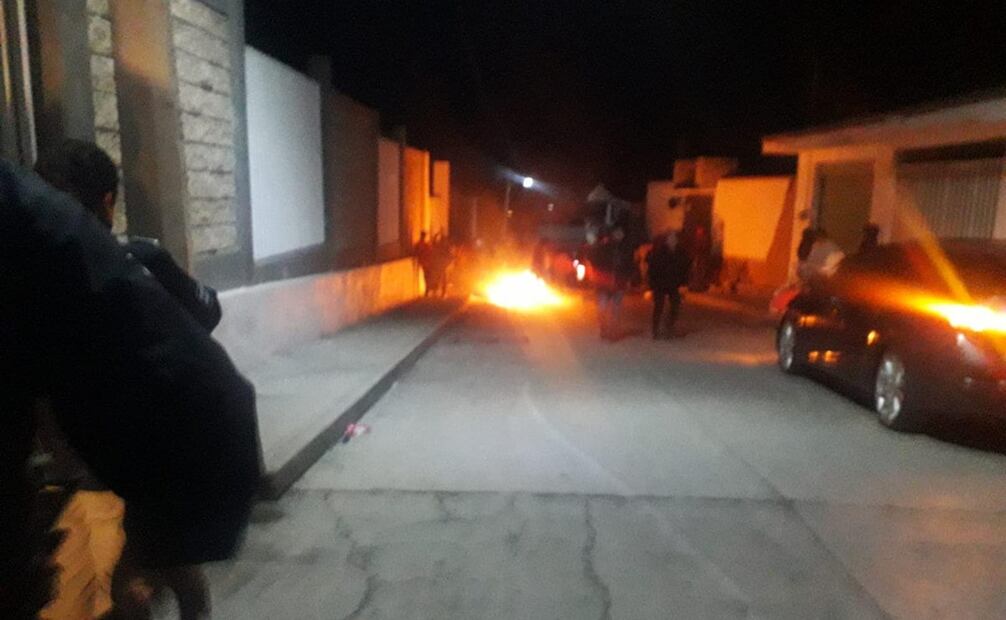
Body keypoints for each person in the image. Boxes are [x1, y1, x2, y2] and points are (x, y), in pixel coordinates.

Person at [0, 159, 260, 619]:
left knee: (139, 574)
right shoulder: (94, 255)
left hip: (168, 436)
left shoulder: (114, 259)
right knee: (152, 564)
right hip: (165, 432)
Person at [590, 225, 635, 340]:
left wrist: (628, 278)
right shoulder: (604, 246)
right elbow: (594, 260)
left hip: (619, 282)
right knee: (603, 307)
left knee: (616, 308)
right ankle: (603, 328)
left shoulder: (625, 248)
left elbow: (629, 265)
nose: (619, 235)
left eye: (621, 233)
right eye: (617, 233)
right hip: (604, 282)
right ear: (613, 234)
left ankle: (613, 330)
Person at [646, 231, 690, 340]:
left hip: (674, 283)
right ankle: (655, 329)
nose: (672, 241)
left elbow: (685, 268)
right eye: (670, 239)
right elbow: (652, 268)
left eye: (674, 239)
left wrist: (684, 283)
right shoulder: (660, 252)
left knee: (675, 305)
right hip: (660, 283)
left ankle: (669, 326)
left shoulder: (681, 252)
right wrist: (652, 284)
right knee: (658, 306)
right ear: (666, 241)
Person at [416, 231, 437, 296]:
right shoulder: (424, 245)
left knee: (427, 277)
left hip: (425, 263)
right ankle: (428, 289)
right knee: (428, 277)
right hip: (426, 263)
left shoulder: (420, 244)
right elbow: (429, 252)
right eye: (424, 236)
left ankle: (429, 289)